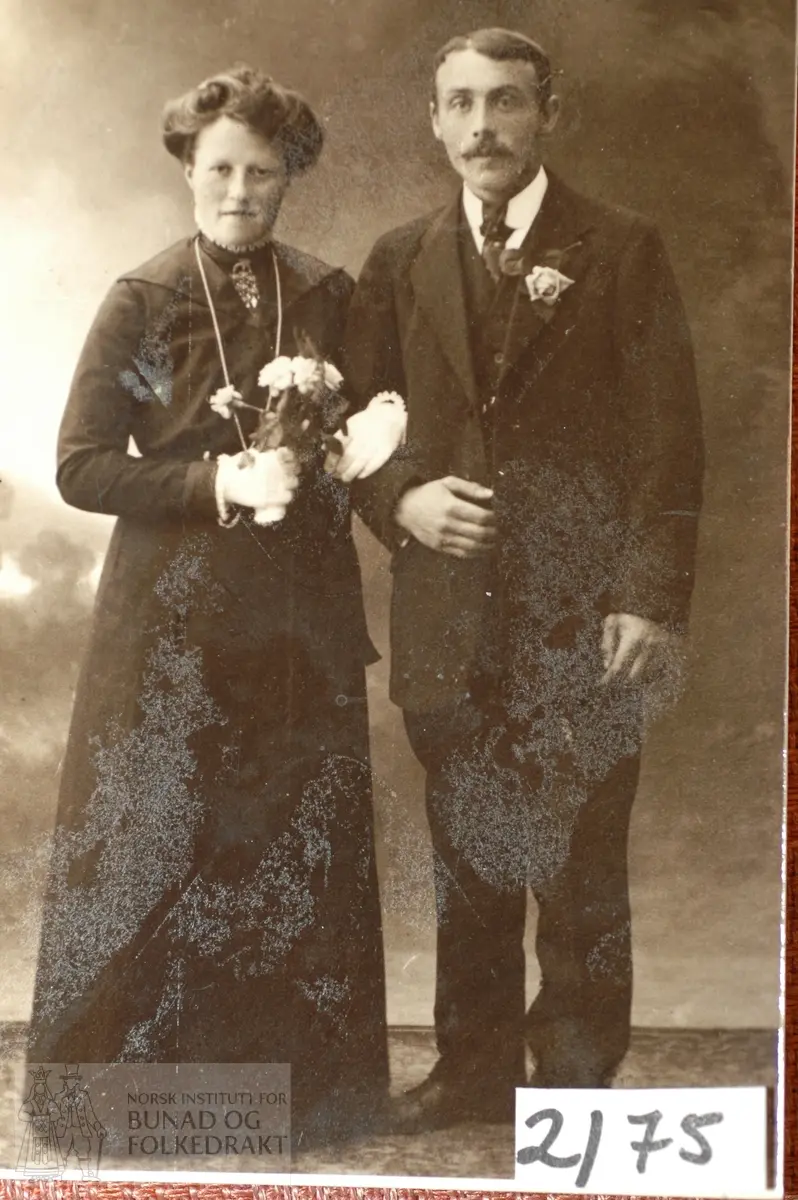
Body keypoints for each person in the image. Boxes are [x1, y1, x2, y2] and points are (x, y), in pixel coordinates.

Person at [27, 64, 400, 1150]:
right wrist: (215, 485)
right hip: (171, 619)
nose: (241, 191)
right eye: (222, 168)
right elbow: (82, 467)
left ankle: (297, 1097)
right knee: (159, 839)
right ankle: (130, 1105)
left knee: (286, 838)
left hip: (295, 618)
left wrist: (347, 459)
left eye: (265, 173)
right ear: (189, 168)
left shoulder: (329, 293)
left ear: (291, 180)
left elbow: (366, 434)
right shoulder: (141, 300)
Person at [346, 28, 704, 1130]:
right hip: (451, 616)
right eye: (461, 104)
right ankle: (474, 1071)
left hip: (581, 615)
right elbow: (358, 425)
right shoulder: (398, 260)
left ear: (549, 113)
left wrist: (646, 594)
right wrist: (400, 496)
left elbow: (669, 436)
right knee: (471, 858)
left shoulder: (621, 245)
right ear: (436, 121)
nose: (483, 127)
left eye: (506, 102)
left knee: (584, 863)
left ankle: (580, 1085)